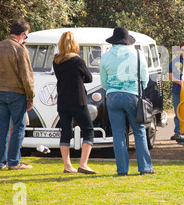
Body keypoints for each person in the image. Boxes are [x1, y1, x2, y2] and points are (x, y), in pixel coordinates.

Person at [100, 26, 156, 176]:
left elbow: (103, 82)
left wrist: (112, 89)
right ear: (127, 41)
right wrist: (139, 91)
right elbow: (145, 77)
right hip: (132, 95)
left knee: (118, 133)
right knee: (139, 131)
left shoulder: (105, 56)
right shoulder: (137, 54)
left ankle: (122, 169)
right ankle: (145, 168)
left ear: (113, 41)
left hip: (112, 95)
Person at [0, 19, 35, 170]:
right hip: (17, 93)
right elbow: (27, 77)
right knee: (18, 127)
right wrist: (31, 96)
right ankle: (14, 162)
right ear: (22, 34)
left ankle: (0, 162)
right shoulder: (21, 50)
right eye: (26, 37)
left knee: (2, 128)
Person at [53, 31, 97, 174]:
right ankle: (83, 164)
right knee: (88, 130)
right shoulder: (77, 60)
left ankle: (67, 165)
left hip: (62, 100)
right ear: (74, 44)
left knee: (65, 131)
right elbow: (89, 77)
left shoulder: (56, 61)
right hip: (77, 99)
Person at [168, 42, 184, 140]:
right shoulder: (175, 61)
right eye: (183, 50)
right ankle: (178, 132)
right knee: (178, 112)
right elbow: (170, 76)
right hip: (177, 91)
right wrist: (180, 82)